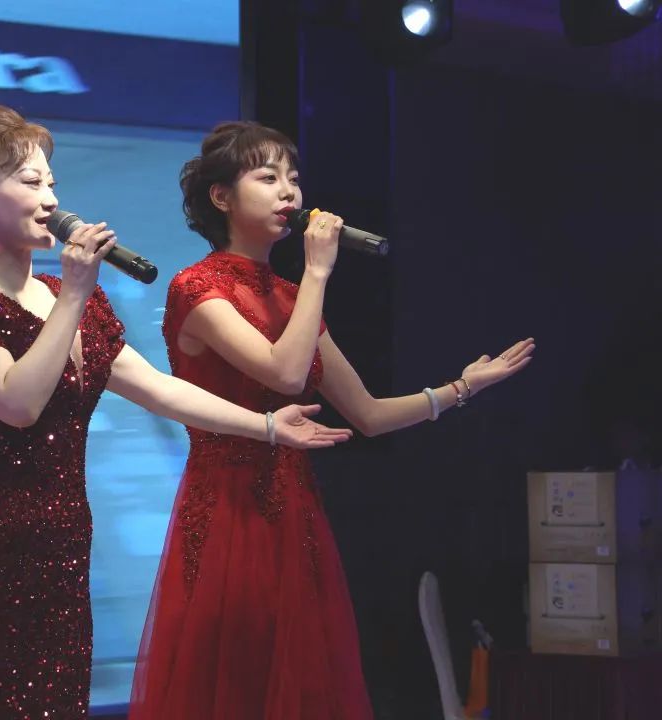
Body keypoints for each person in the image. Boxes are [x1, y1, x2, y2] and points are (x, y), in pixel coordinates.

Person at [0, 104, 353, 719]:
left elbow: (156, 388)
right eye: (30, 182)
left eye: (51, 181)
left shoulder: (65, 296)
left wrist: (266, 426)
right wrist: (75, 294)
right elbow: (17, 402)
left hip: (60, 538)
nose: (51, 197)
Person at [129, 121, 535, 719]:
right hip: (227, 512)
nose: (288, 191)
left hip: (296, 512)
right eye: (267, 177)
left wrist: (461, 388)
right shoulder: (197, 288)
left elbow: (367, 414)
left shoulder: (292, 297)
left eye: (293, 178)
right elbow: (285, 374)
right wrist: (317, 273)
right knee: (234, 683)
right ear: (221, 197)